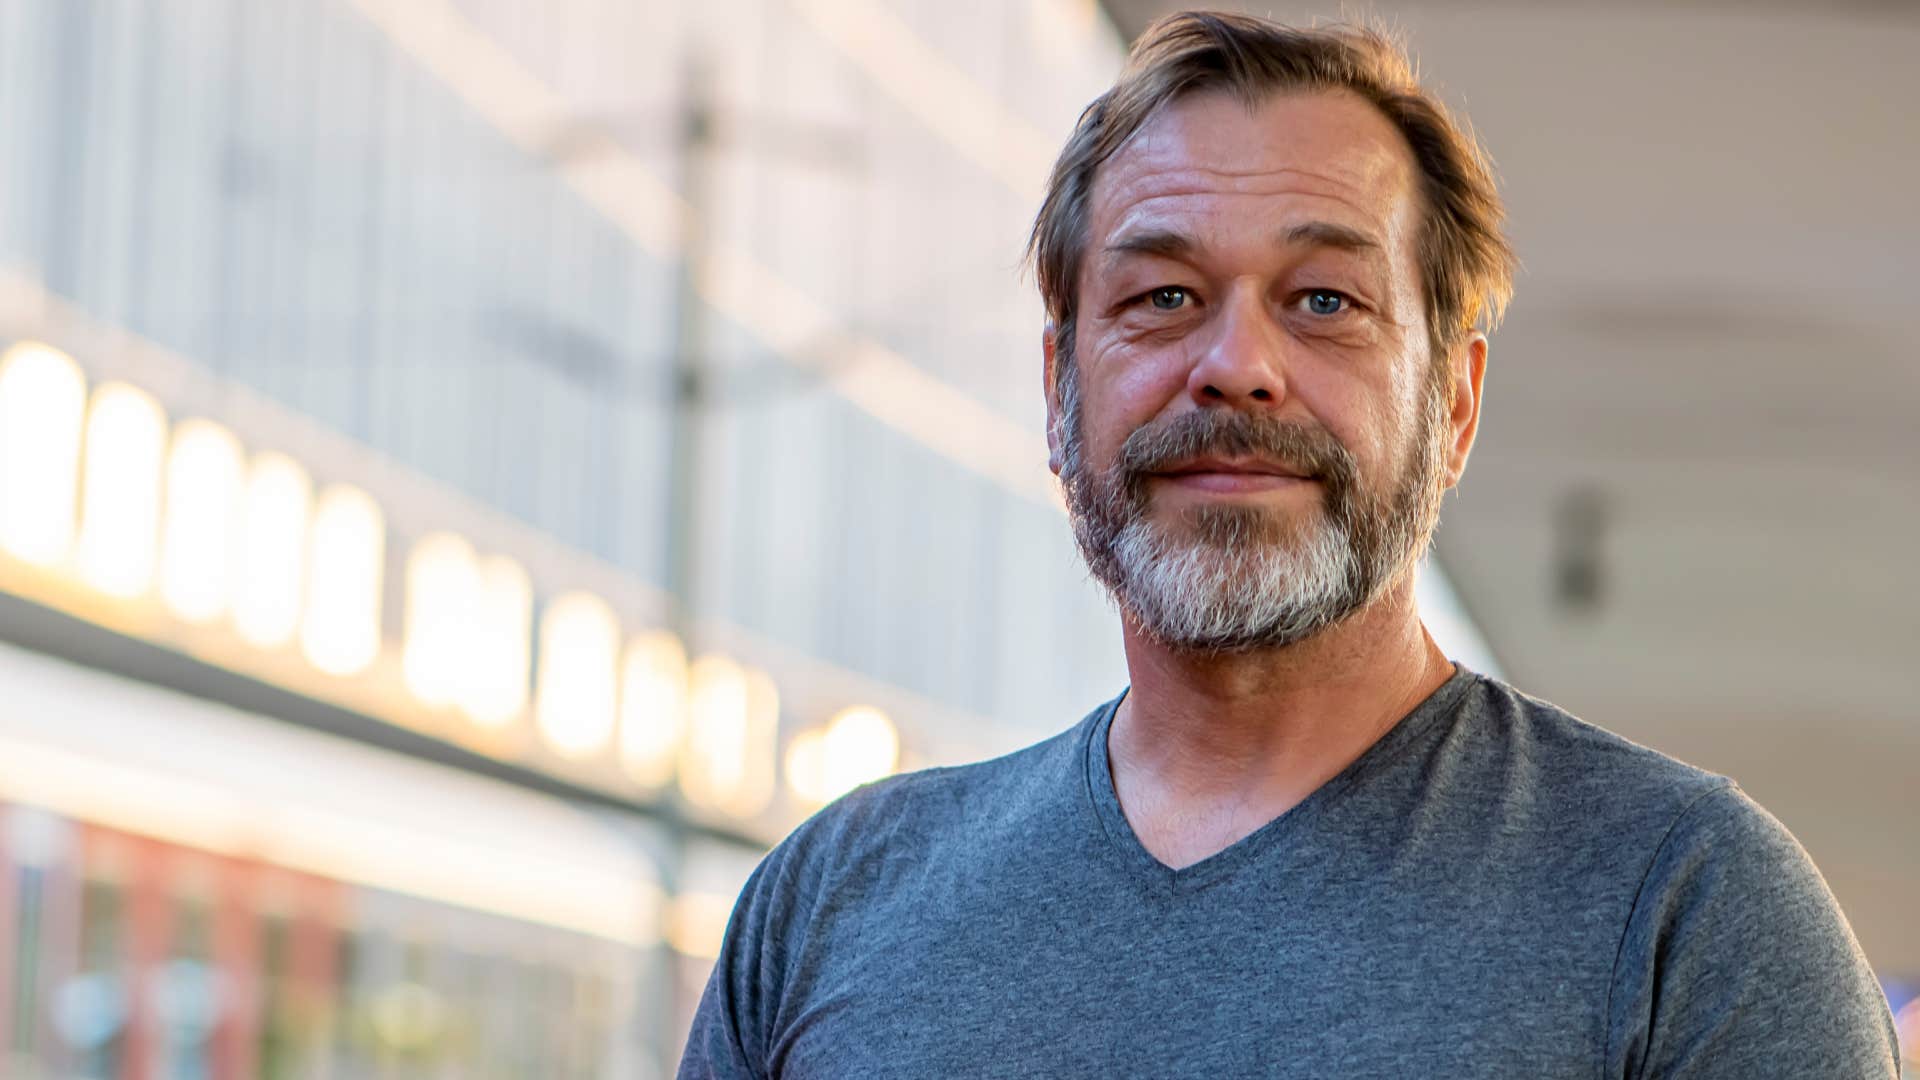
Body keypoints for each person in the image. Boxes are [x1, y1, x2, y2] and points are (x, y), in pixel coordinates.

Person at [679, 12, 1899, 1077]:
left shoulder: (1687, 910)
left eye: (1326, 301)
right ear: (1060, 389)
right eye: (1162, 297)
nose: (1237, 367)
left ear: (1456, 403)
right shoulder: (832, 902)